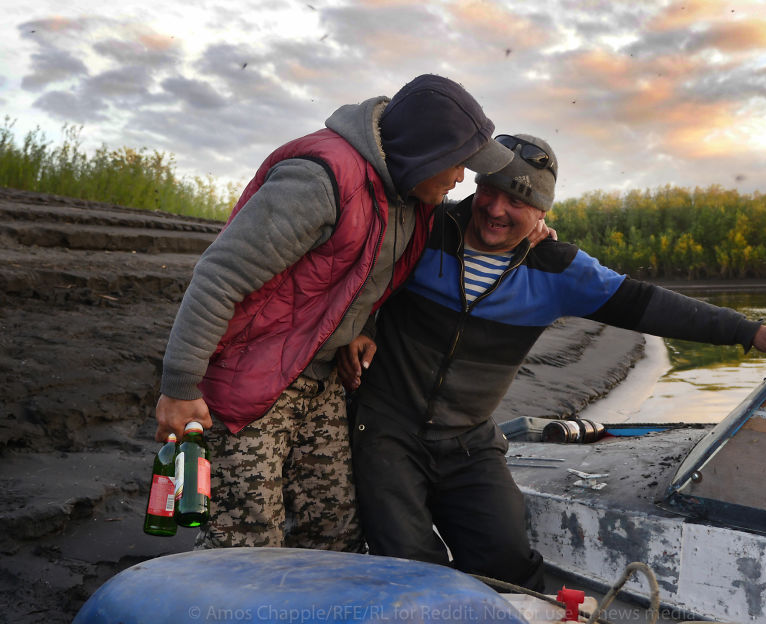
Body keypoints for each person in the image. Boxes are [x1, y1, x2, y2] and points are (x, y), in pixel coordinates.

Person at [338, 133, 766, 590]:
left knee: (507, 563)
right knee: (408, 561)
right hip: (387, 428)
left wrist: (750, 332)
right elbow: (357, 272)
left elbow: (648, 303)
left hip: (468, 440)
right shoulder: (422, 228)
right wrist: (363, 326)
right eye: (490, 190)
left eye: (518, 200)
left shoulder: (559, 269)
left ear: (543, 209)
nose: (496, 208)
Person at [152, 74, 517, 551]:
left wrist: (359, 328)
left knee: (335, 530)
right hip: (253, 374)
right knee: (245, 543)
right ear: (425, 152)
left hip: (319, 378)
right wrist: (178, 388)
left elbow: (363, 270)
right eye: (457, 164)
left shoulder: (411, 195)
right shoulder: (319, 178)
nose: (461, 178)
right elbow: (219, 275)